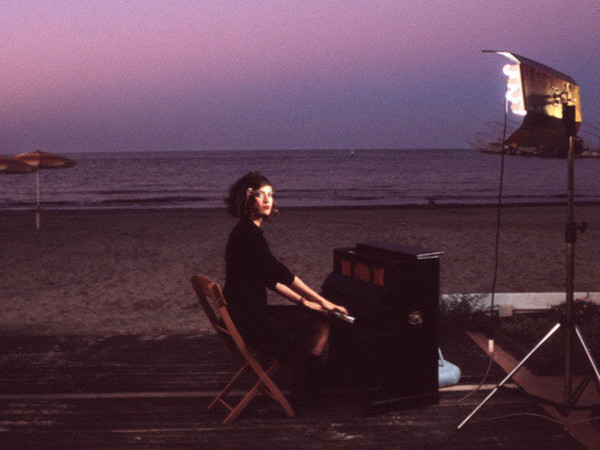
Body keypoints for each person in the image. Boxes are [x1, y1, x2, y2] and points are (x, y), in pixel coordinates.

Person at [223, 172, 349, 405]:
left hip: (242, 316)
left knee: (314, 313)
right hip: (251, 322)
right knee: (321, 320)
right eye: (260, 195)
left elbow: (271, 279)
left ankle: (308, 384)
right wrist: (320, 303)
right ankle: (306, 390)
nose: (267, 200)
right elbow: (281, 274)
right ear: (247, 198)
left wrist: (308, 302)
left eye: (271, 194)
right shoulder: (249, 236)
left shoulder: (245, 231)